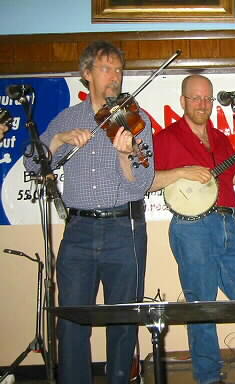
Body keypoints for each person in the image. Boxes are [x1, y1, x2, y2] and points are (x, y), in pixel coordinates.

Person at [24, 40, 154, 384]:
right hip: (78, 231)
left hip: (124, 230)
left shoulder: (136, 119)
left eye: (119, 69)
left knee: (123, 322)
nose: (115, 76)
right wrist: (59, 140)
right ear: (86, 74)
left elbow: (139, 185)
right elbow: (33, 164)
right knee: (70, 322)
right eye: (106, 68)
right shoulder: (66, 118)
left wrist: (124, 154)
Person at [150, 74, 235, 384]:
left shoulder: (220, 137)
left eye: (208, 98)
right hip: (191, 230)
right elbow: (144, 181)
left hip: (230, 224)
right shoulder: (165, 138)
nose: (203, 104)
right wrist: (181, 172)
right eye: (196, 98)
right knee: (201, 309)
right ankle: (208, 378)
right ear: (183, 101)